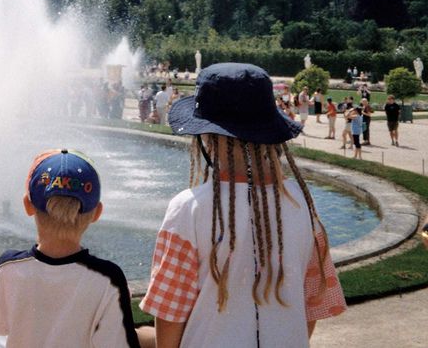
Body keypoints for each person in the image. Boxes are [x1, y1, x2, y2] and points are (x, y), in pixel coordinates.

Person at [140, 63, 345, 347]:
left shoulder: (188, 209)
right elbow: (314, 300)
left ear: (207, 139)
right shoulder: (301, 203)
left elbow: (170, 312)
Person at [0, 149, 150, 348]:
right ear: (97, 212)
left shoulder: (7, 267)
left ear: (28, 205)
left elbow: (0, 327)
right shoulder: (108, 278)